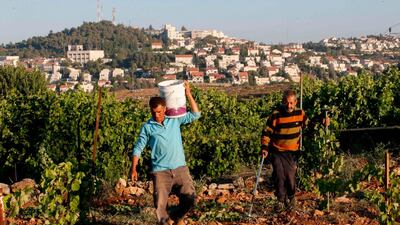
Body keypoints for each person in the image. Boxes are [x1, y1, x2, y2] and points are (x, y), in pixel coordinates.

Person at [131, 80, 200, 225]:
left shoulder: (174, 120)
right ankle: (166, 222)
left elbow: (195, 114)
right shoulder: (147, 127)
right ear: (150, 110)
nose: (157, 115)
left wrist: (188, 93)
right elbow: (138, 147)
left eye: (160, 111)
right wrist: (134, 168)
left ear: (165, 108)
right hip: (160, 171)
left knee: (190, 198)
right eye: (154, 112)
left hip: (180, 168)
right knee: (160, 206)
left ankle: (174, 218)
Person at [260, 89, 329, 212]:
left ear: (296, 102)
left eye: (291, 103)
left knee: (290, 177)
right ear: (283, 102)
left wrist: (322, 121)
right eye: (286, 102)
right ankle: (280, 201)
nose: (289, 105)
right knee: (280, 176)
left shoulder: (300, 113)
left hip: (292, 151)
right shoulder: (276, 115)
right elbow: (266, 132)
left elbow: (310, 124)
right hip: (277, 150)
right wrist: (264, 147)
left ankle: (291, 198)